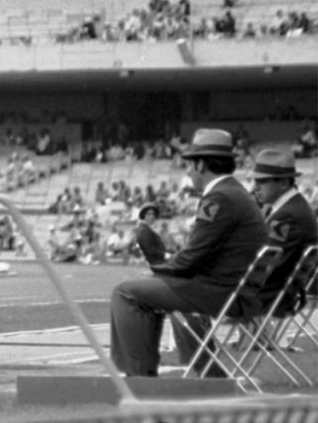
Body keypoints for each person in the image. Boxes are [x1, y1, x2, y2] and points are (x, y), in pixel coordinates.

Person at [109, 129, 268, 377]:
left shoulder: (219, 197)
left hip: (221, 292)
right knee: (150, 288)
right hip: (236, 289)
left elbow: (191, 259)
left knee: (125, 293)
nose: (188, 171)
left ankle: (139, 377)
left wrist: (159, 268)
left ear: (201, 164)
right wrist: (163, 272)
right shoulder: (235, 192)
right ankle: (197, 372)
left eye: (190, 165)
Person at [250, 149, 318, 315]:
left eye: (262, 181)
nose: (255, 187)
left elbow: (264, 264)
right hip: (280, 294)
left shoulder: (286, 216)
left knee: (187, 294)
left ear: (283, 183)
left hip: (270, 298)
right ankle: (255, 341)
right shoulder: (293, 207)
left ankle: (202, 342)